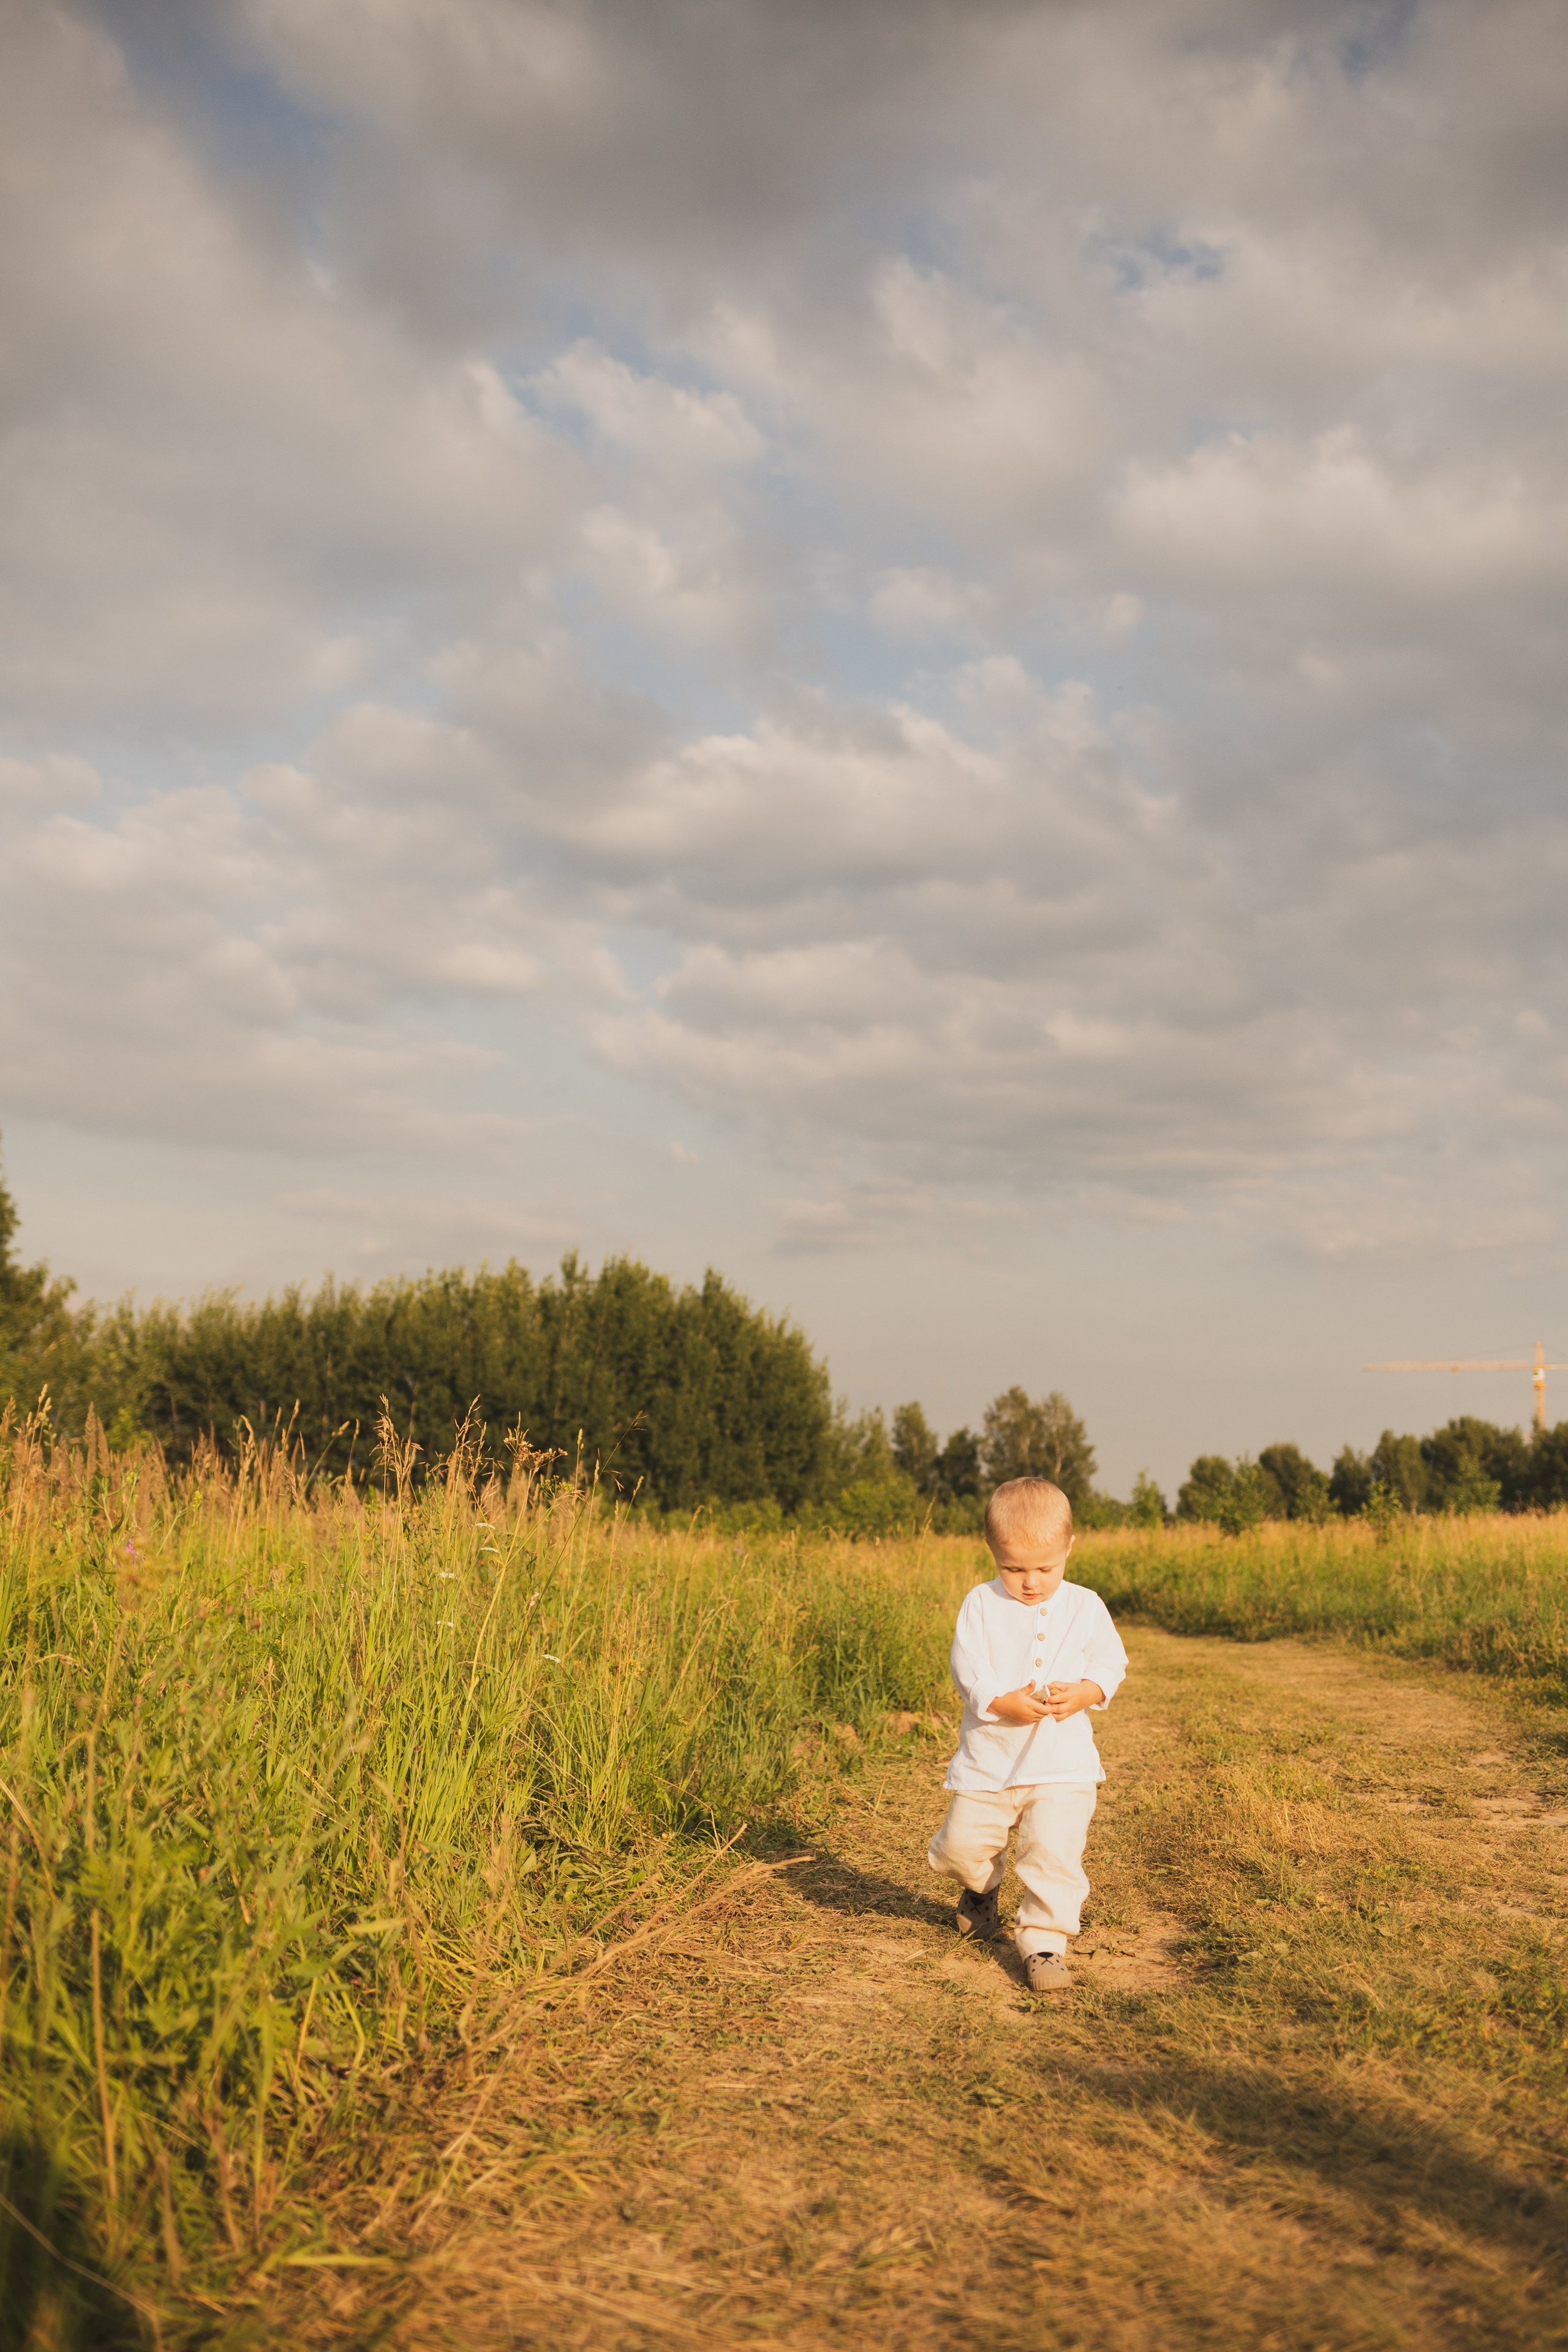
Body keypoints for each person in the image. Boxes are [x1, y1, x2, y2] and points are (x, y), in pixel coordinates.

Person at [927, 1476, 1128, 1993]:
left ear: (1069, 1548)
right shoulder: (981, 1603)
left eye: (1045, 1568)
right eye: (1013, 1568)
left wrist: (1085, 1693)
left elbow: (1111, 1661)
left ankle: (1044, 1942)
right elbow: (966, 1664)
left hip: (1062, 1764)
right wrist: (999, 1701)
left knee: (1053, 1854)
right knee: (958, 1847)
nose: (1030, 1582)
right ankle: (979, 1886)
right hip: (989, 1761)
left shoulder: (1084, 1606)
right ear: (992, 1552)